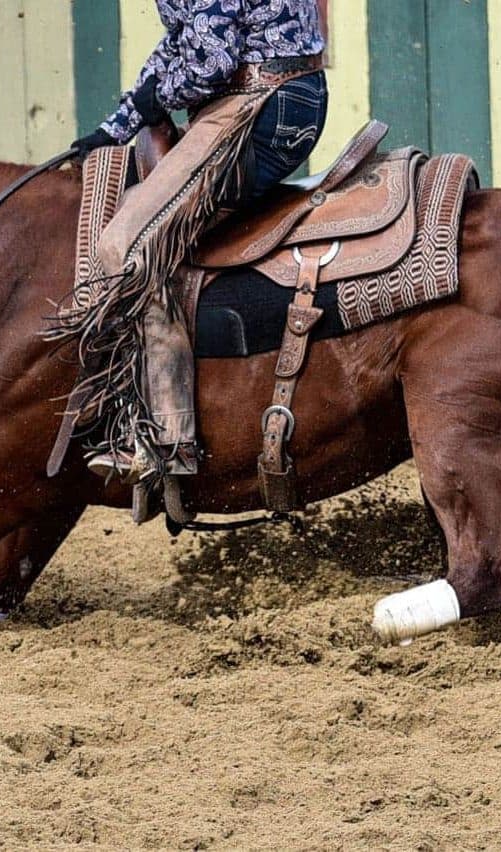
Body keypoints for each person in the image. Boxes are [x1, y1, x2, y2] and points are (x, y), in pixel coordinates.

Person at [55, 0, 328, 520]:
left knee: (129, 246)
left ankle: (168, 440)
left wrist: (154, 99)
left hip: (259, 102)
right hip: (280, 94)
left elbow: (210, 62)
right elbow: (186, 43)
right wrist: (120, 123)